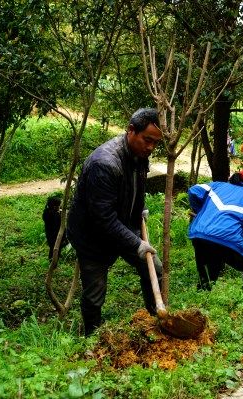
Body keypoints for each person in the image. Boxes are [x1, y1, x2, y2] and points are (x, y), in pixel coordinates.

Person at [67, 108, 163, 336]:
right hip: (92, 235)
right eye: (147, 140)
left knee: (154, 268)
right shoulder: (105, 164)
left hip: (122, 225)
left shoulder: (140, 155)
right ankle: (91, 337)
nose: (151, 147)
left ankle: (159, 320)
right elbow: (102, 218)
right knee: (95, 292)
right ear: (131, 130)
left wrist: (138, 210)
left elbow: (136, 186)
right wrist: (136, 243)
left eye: (155, 143)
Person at [188, 169, 243, 290]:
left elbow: (194, 191)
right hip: (227, 240)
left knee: (208, 275)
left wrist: (202, 211)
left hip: (200, 235)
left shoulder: (217, 185)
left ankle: (200, 300)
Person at [43, 195, 68, 260]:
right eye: (59, 205)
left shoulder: (47, 212)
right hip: (55, 235)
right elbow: (59, 223)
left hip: (51, 235)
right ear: (55, 206)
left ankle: (53, 259)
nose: (60, 207)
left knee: (54, 248)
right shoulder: (54, 215)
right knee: (55, 248)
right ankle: (53, 260)